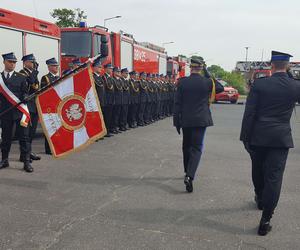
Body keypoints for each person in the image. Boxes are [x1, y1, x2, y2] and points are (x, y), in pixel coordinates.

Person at [240, 51, 300, 236]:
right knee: (274, 178)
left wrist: (245, 137)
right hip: (280, 138)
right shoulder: (295, 86)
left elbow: (249, 112)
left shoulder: (260, 84)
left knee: (258, 170)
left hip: (258, 136)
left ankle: (259, 197)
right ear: (288, 66)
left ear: (272, 66)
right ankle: (266, 219)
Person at [173, 58, 224, 193]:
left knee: (186, 146)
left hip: (186, 120)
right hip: (201, 120)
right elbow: (220, 88)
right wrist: (207, 72)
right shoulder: (207, 82)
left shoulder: (182, 82)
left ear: (191, 67)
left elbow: (177, 103)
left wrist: (176, 122)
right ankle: (190, 175)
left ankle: (186, 170)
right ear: (201, 68)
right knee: (196, 148)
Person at [0, 52, 33, 172]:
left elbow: (25, 91)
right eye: (10, 62)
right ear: (4, 62)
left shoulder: (21, 77)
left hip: (19, 113)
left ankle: (26, 162)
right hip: (5, 113)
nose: (12, 64)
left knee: (24, 138)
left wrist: (25, 96)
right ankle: (4, 160)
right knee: (6, 137)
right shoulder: (0, 78)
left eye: (14, 62)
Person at [19, 53, 41, 162]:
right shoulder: (22, 73)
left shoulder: (31, 73)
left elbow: (37, 87)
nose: (33, 64)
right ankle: (24, 155)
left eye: (34, 62)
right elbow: (32, 83)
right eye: (31, 62)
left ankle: (28, 152)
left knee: (32, 132)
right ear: (25, 63)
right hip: (26, 107)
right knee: (25, 133)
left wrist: (34, 72)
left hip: (34, 106)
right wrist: (35, 72)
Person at [40, 57, 60, 155]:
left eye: (57, 66)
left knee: (57, 127)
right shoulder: (45, 78)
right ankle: (48, 149)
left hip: (58, 106)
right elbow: (44, 93)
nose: (57, 67)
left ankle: (56, 146)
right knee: (49, 127)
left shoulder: (58, 77)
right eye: (54, 66)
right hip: (49, 106)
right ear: (49, 67)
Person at [102, 64, 114, 137]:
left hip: (111, 100)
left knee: (110, 116)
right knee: (106, 117)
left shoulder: (111, 78)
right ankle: (105, 131)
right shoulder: (104, 78)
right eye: (110, 68)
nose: (111, 70)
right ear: (106, 69)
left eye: (112, 69)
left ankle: (108, 130)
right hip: (106, 100)